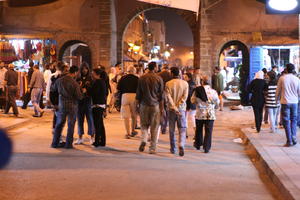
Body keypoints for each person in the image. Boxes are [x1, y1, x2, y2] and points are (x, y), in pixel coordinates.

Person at [51, 66, 83, 149]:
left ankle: (55, 143)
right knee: (71, 125)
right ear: (75, 72)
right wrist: (82, 90)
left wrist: (54, 102)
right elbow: (79, 96)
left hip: (62, 105)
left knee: (59, 124)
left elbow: (53, 89)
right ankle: (68, 144)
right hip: (72, 106)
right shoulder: (74, 83)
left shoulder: (60, 80)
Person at [136, 62, 164, 154]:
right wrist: (162, 108)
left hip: (144, 104)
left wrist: (137, 105)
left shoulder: (142, 78)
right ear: (155, 68)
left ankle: (144, 139)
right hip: (155, 105)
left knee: (144, 125)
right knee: (154, 127)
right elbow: (161, 95)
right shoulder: (159, 78)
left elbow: (138, 94)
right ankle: (152, 148)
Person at [191, 75, 219, 153]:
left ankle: (198, 144)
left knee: (199, 129)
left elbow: (192, 100)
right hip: (210, 114)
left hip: (200, 114)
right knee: (208, 131)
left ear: (202, 82)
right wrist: (215, 107)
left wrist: (198, 102)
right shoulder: (213, 92)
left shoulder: (197, 90)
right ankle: (206, 148)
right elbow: (217, 102)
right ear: (209, 83)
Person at [165, 67, 188, 156]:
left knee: (172, 129)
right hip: (181, 109)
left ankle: (173, 148)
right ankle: (181, 144)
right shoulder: (185, 83)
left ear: (171, 74)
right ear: (179, 73)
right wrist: (178, 107)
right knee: (182, 128)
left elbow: (168, 97)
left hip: (171, 110)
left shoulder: (168, 84)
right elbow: (185, 97)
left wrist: (174, 107)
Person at [276, 63, 300, 147]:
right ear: (293, 70)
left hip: (285, 102)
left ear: (286, 69)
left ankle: (289, 140)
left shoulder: (282, 78)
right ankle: (293, 136)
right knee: (294, 120)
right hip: (294, 102)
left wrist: (276, 100)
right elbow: (299, 92)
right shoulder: (297, 79)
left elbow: (278, 91)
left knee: (286, 121)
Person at [75, 62, 94, 145]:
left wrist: (88, 90)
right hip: (79, 101)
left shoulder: (91, 78)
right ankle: (80, 137)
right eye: (83, 69)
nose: (84, 70)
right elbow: (74, 88)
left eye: (86, 69)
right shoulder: (77, 78)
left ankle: (92, 137)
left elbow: (93, 89)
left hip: (88, 100)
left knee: (90, 119)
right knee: (80, 119)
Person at [117, 66, 139, 139]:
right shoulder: (137, 78)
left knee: (126, 116)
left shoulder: (123, 78)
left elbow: (118, 88)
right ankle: (133, 130)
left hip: (125, 96)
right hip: (134, 96)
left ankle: (127, 133)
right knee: (134, 115)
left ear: (128, 71)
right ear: (134, 71)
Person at [88, 68, 107, 147]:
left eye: (93, 73)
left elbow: (93, 93)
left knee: (97, 125)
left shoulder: (98, 82)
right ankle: (102, 141)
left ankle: (97, 141)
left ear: (97, 74)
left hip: (97, 105)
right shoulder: (102, 82)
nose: (92, 75)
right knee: (100, 124)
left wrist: (88, 88)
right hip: (101, 105)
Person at [158, 65, 172, 135]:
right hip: (168, 93)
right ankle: (165, 126)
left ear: (162, 68)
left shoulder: (158, 74)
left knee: (161, 109)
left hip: (160, 93)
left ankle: (161, 125)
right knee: (167, 110)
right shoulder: (170, 75)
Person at [183, 72, 196, 138]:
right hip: (193, 104)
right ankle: (196, 133)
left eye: (185, 77)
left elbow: (186, 95)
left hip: (187, 104)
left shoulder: (186, 84)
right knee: (193, 118)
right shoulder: (194, 84)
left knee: (185, 119)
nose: (184, 78)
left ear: (189, 77)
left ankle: (186, 134)